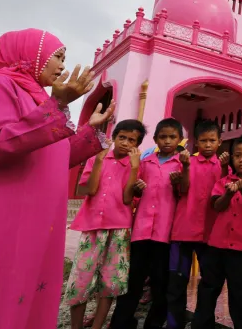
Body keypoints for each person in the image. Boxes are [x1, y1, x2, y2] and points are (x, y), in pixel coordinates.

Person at [0, 29, 113, 329]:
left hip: (24, 228)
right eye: (58, 56)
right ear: (29, 53)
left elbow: (51, 157)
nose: (63, 66)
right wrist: (56, 107)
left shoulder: (37, 100)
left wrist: (90, 131)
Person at [65, 119, 147, 329]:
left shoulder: (136, 164)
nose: (126, 143)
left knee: (110, 282)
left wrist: (135, 168)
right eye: (122, 138)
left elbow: (128, 199)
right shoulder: (96, 158)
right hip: (92, 228)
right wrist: (100, 161)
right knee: (81, 280)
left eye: (132, 140)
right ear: (114, 137)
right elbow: (89, 190)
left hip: (119, 229)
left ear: (137, 144)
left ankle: (97, 326)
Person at [110, 118, 186, 329]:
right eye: (163, 137)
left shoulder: (182, 165)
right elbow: (133, 193)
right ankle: (121, 322)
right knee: (132, 282)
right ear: (155, 139)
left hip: (164, 234)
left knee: (160, 283)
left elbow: (184, 195)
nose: (167, 141)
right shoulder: (145, 163)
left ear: (180, 139)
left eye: (172, 137)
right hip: (141, 232)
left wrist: (180, 182)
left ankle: (153, 323)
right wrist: (137, 188)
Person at [195, 135, 242, 329]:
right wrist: (228, 193)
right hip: (217, 245)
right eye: (237, 155)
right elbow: (217, 207)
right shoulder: (224, 181)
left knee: (241, 293)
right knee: (208, 289)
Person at [166, 120, 229, 329]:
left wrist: (226, 166)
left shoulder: (222, 167)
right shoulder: (187, 162)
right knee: (177, 281)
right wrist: (184, 168)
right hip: (183, 231)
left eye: (212, 140)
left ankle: (202, 323)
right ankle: (174, 324)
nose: (208, 145)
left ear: (220, 142)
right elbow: (183, 189)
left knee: (210, 282)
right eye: (204, 141)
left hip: (210, 234)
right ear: (196, 142)